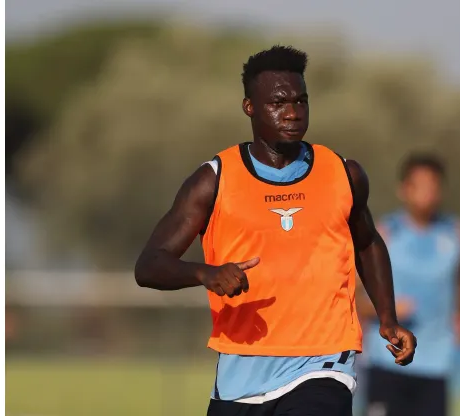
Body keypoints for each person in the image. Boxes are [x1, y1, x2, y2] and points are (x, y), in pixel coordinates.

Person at [134, 45, 417, 416]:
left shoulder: (342, 173)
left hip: (323, 361)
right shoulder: (214, 181)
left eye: (302, 101)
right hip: (241, 369)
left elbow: (367, 243)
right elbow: (149, 265)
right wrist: (205, 272)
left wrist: (387, 318)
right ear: (249, 107)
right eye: (279, 103)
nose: (293, 113)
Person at [358, 154, 460, 416]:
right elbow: (353, 300)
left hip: (436, 363)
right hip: (387, 361)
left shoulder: (457, 233)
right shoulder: (382, 235)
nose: (428, 194)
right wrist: (387, 311)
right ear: (404, 190)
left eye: (433, 186)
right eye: (420, 186)